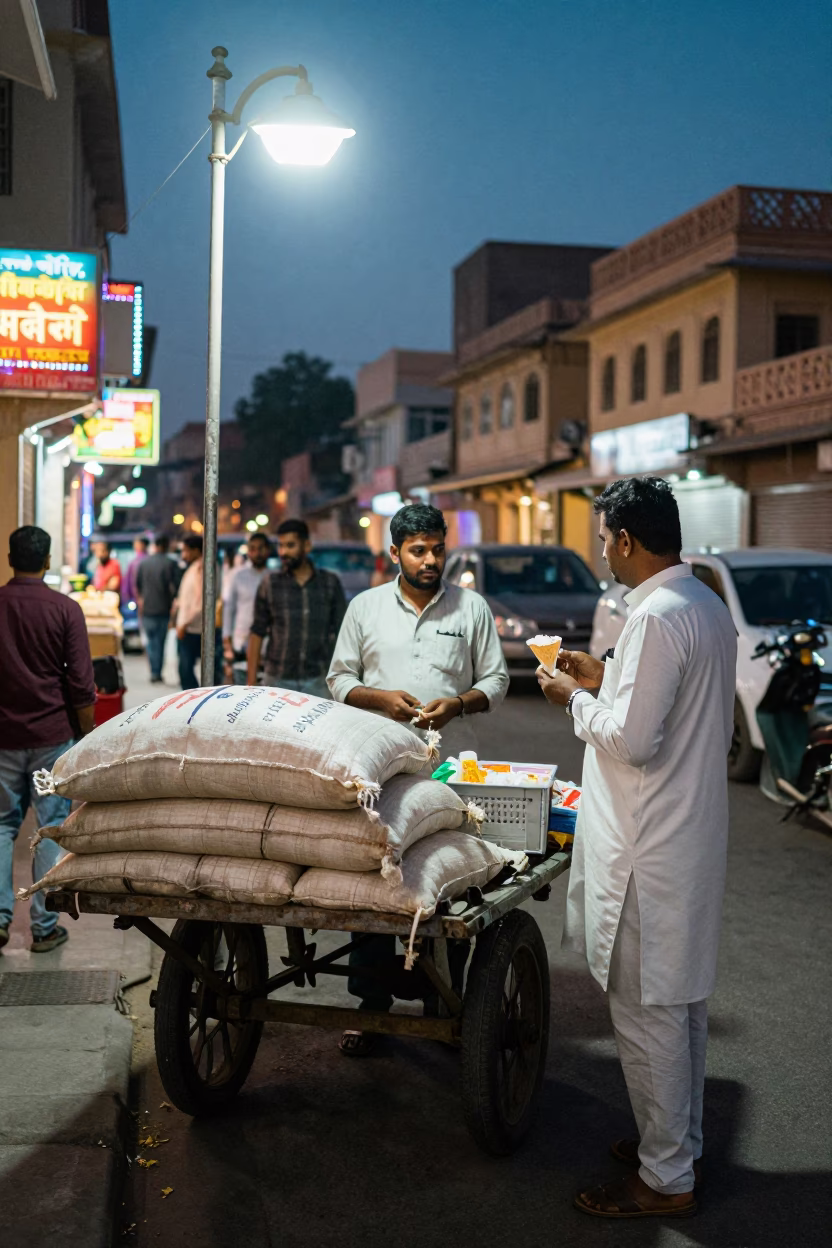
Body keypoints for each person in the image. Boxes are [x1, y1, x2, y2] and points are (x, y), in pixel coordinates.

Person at [534, 477, 736, 1220]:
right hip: (687, 838)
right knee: (678, 1005)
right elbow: (662, 703)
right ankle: (676, 1144)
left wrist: (575, 699)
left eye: (604, 539)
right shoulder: (705, 605)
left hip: (650, 847)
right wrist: (606, 675)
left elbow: (632, 737)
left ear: (624, 539)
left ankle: (666, 1179)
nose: (603, 554)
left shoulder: (654, 615)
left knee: (650, 1012)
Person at [327, 502, 509, 1055]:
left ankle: (445, 1004)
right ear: (394, 554)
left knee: (447, 885)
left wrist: (457, 703)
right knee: (377, 879)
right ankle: (371, 1005)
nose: (431, 560)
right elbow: (339, 680)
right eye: (418, 550)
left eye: (437, 548)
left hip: (450, 771)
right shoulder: (365, 607)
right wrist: (380, 699)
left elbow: (497, 679)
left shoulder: (471, 608)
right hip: (379, 770)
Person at [0, 526, 96, 953]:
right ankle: (43, 927)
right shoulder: (65, 609)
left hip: (3, 739)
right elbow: (80, 680)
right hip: (52, 739)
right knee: (49, 828)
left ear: (9, 558)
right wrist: (86, 731)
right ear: (47, 560)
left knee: (2, 826)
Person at [247, 519, 346, 695]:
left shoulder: (329, 583)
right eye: (281, 546)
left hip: (318, 679)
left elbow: (343, 632)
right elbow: (257, 632)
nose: (283, 552)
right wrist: (251, 683)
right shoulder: (270, 584)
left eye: (290, 545)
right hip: (277, 678)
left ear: (306, 546)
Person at [175, 534, 222, 690]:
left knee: (188, 669)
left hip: (196, 628)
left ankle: (198, 699)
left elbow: (202, 602)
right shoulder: (195, 567)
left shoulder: (204, 568)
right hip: (192, 626)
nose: (183, 555)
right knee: (187, 669)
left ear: (196, 550)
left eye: (186, 551)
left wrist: (184, 623)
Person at [222, 534, 270, 682]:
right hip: (241, 642)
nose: (257, 553)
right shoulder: (238, 576)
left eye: (261, 549)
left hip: (268, 644)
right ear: (248, 551)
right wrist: (227, 642)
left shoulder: (275, 577)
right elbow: (229, 610)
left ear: (268, 550)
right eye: (253, 549)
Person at [136, 534, 178, 683]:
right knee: (160, 642)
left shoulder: (144, 563)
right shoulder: (170, 563)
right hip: (163, 609)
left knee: (151, 642)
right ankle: (156, 672)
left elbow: (138, 585)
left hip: (147, 608)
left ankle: (154, 670)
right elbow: (176, 588)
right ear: (166, 546)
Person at [122, 535, 149, 607]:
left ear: (142, 545)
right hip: (144, 598)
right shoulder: (135, 561)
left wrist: (126, 596)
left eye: (136, 543)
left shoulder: (136, 562)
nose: (134, 546)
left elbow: (128, 581)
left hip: (138, 597)